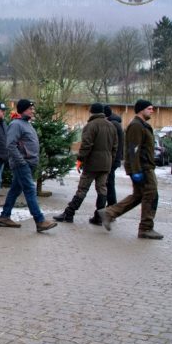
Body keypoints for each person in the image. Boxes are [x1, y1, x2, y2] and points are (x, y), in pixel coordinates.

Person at [98, 100, 163, 239]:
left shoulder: (142, 125)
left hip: (144, 167)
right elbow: (133, 150)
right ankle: (145, 228)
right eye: (149, 108)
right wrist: (135, 170)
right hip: (143, 168)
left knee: (138, 196)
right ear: (141, 110)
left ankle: (109, 213)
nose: (152, 111)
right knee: (151, 195)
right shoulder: (136, 126)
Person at [0, 99, 57, 232]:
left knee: (15, 190)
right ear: (23, 110)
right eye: (30, 109)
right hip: (22, 164)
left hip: (28, 163)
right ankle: (40, 220)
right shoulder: (16, 124)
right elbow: (10, 145)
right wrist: (21, 161)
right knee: (30, 189)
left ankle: (4, 217)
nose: (33, 111)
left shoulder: (26, 124)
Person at [53, 103, 117, 224]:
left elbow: (86, 145)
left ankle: (69, 213)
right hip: (106, 164)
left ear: (92, 112)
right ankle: (99, 217)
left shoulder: (91, 126)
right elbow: (115, 147)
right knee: (102, 190)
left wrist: (80, 159)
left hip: (92, 164)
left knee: (82, 189)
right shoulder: (111, 126)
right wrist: (110, 160)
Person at [91, 104, 124, 224]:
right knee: (109, 184)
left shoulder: (113, 125)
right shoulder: (116, 124)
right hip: (113, 159)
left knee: (108, 185)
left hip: (111, 160)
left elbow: (114, 145)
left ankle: (111, 210)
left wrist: (113, 159)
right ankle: (111, 210)